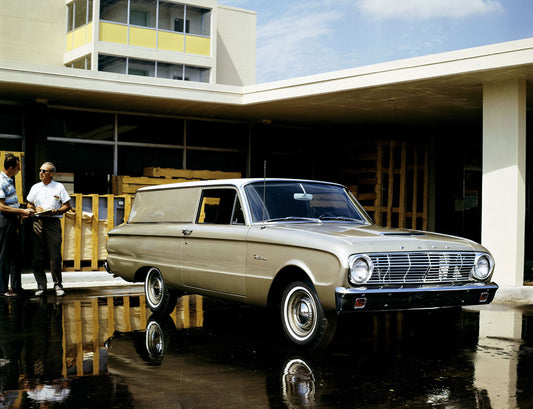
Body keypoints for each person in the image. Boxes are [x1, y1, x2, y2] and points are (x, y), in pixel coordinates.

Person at [27, 162, 71, 297]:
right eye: (40, 170)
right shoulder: (35, 187)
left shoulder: (59, 187)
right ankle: (41, 285)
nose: (41, 173)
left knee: (55, 255)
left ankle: (58, 285)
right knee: (37, 255)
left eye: (44, 171)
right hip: (38, 221)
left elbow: (67, 205)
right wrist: (35, 209)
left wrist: (56, 210)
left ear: (51, 173)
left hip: (53, 222)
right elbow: (29, 203)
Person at [0, 154, 35, 297]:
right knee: (4, 255)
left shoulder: (9, 180)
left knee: (15, 255)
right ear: (10, 167)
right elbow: (1, 206)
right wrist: (21, 210)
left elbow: (10, 203)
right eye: (18, 168)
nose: (19, 170)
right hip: (4, 221)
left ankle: (16, 286)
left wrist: (21, 213)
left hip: (13, 220)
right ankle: (2, 289)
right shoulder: (1, 181)